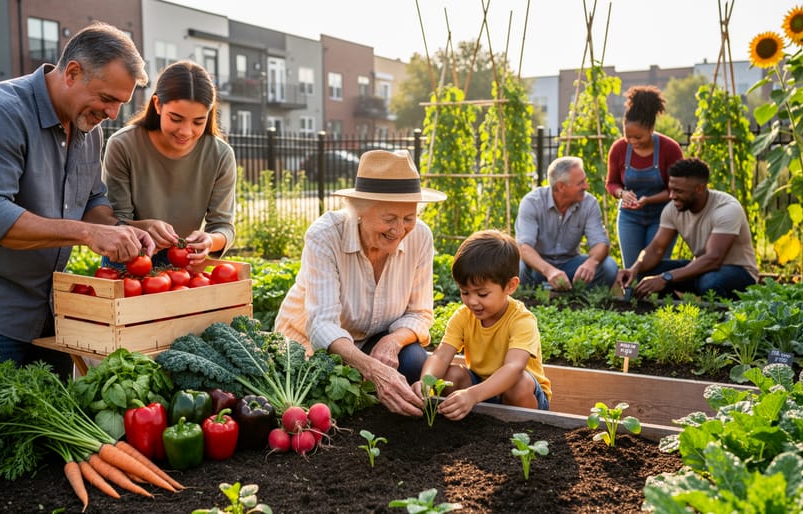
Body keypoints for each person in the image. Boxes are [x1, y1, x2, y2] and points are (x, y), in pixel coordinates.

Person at [0, 23, 154, 376]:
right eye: (108, 98)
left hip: (47, 306)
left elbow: (91, 200)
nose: (113, 114)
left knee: (51, 425)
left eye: (121, 104)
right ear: (72, 72)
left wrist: (121, 229)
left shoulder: (87, 127)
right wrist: (85, 234)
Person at [274, 149, 447, 416]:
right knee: (329, 395)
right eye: (389, 219)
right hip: (312, 344)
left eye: (408, 218)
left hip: (372, 339)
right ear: (360, 211)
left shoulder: (421, 237)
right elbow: (322, 325)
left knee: (413, 362)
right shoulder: (326, 236)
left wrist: (392, 342)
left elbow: (420, 313)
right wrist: (371, 368)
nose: (399, 230)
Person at [103, 61, 236, 270]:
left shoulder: (220, 155)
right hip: (130, 260)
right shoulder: (123, 145)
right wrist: (145, 227)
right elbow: (115, 221)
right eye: (176, 118)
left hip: (183, 264)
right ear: (157, 104)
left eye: (198, 122)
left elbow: (224, 227)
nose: (186, 131)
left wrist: (210, 241)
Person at [412, 230, 551, 421]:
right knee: (450, 375)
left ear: (510, 286)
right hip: (481, 387)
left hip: (524, 397)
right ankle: (458, 419)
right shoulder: (463, 316)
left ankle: (525, 428)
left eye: (482, 294)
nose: (472, 301)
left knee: (517, 383)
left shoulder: (522, 320)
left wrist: (473, 395)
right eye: (465, 292)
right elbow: (442, 354)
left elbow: (514, 367)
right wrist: (425, 382)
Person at [616, 158, 759, 299]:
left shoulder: (726, 209)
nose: (672, 196)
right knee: (646, 273)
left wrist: (666, 277)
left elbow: (714, 258)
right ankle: (673, 313)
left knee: (710, 283)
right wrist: (634, 269)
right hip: (702, 269)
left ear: (699, 189)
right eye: (670, 189)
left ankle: (721, 318)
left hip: (738, 272)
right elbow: (656, 248)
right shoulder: (673, 209)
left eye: (678, 191)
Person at [607, 85, 684, 268]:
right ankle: (631, 297)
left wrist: (648, 200)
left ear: (651, 129)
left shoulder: (669, 149)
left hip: (662, 216)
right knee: (632, 269)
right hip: (629, 217)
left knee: (656, 267)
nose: (633, 142)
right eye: (628, 137)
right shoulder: (618, 149)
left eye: (638, 137)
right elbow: (612, 183)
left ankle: (656, 298)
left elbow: (676, 190)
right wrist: (621, 194)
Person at [516, 156, 618, 291]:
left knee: (609, 267)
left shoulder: (589, 203)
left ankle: (577, 298)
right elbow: (524, 247)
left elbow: (600, 242)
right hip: (538, 267)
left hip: (571, 266)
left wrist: (591, 263)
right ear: (561, 187)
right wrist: (549, 271)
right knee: (518, 268)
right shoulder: (532, 202)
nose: (586, 186)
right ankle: (533, 297)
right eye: (580, 183)